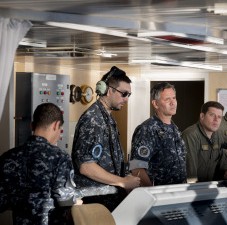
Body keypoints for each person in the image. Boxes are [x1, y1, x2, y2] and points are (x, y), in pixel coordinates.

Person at [0, 103, 82, 225]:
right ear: (56, 125)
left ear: (32, 125)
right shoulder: (61, 158)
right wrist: (77, 201)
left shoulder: (8, 157)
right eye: (60, 129)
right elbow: (65, 201)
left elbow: (2, 201)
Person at [72, 66, 140, 212]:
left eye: (129, 95)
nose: (127, 99)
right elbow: (86, 166)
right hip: (95, 204)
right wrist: (122, 182)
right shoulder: (93, 119)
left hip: (108, 202)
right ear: (109, 91)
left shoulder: (106, 119)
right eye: (124, 94)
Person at [129, 82, 186, 186]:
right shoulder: (147, 129)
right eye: (167, 99)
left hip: (178, 192)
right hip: (159, 195)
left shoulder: (175, 129)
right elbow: (136, 167)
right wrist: (151, 192)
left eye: (174, 98)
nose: (173, 102)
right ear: (155, 104)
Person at [182, 101, 227, 182]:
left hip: (211, 187)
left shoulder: (218, 135)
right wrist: (193, 192)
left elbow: (221, 166)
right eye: (212, 115)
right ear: (202, 116)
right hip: (194, 188)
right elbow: (190, 172)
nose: (216, 120)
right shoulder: (190, 135)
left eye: (219, 117)